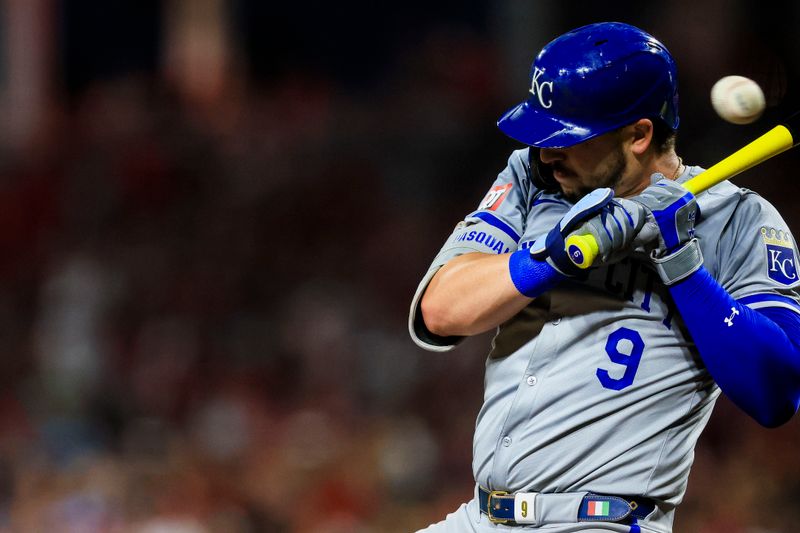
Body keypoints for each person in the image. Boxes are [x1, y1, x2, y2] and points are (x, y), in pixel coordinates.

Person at [408, 22, 800, 533]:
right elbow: (441, 312)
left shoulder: (739, 220)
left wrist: (683, 264)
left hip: (603, 521)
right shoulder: (534, 177)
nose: (548, 152)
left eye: (569, 138)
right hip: (479, 517)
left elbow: (776, 393)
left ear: (639, 134)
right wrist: (551, 259)